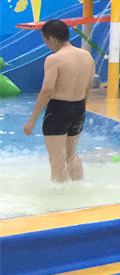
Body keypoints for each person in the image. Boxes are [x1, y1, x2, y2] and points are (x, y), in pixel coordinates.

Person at [23, 19, 94, 182]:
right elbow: (89, 85)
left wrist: (32, 119)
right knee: (71, 154)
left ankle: (60, 194)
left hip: (59, 110)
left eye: (45, 41)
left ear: (52, 39)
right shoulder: (87, 56)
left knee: (57, 159)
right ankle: (78, 187)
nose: (47, 45)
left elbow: (47, 90)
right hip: (79, 107)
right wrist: (81, 108)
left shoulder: (54, 59)